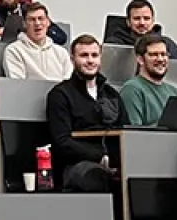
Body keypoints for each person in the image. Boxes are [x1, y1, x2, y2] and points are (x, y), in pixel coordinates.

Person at [45, 34, 124, 192]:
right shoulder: (60, 94)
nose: (90, 61)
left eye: (94, 55)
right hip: (76, 165)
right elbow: (62, 141)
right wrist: (100, 157)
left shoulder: (112, 94)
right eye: (84, 55)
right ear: (73, 59)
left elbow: (126, 130)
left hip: (116, 162)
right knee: (96, 176)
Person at [118, 35, 177, 126]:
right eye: (154, 54)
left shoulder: (175, 92)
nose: (160, 59)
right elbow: (134, 133)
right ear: (140, 59)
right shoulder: (132, 89)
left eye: (163, 54)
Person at [2, 2, 72, 81]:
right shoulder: (14, 51)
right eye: (32, 19)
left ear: (48, 22)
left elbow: (69, 84)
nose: (37, 23)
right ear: (24, 24)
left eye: (41, 18)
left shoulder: (61, 52)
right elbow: (18, 85)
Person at [103, 0, 177, 59]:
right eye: (137, 18)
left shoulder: (167, 44)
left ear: (153, 21)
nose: (142, 23)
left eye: (146, 18)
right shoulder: (114, 44)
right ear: (128, 22)